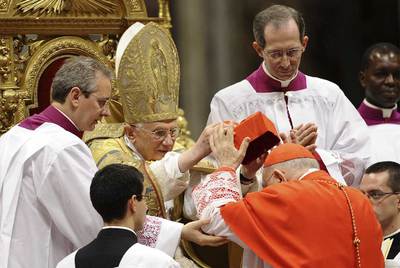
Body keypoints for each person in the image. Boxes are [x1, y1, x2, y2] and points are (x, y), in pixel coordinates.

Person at [207, 4, 370, 186]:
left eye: (292, 52)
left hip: (321, 203)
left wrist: (310, 156)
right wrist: (284, 158)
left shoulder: (328, 95)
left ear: (304, 44)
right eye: (276, 54)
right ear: (258, 49)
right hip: (264, 210)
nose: (286, 63)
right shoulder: (229, 102)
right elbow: (218, 173)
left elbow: (360, 156)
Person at [192, 124, 384, 267]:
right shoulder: (357, 198)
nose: (266, 194)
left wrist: (227, 165)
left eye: (266, 186)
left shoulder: (287, 195)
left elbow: (214, 218)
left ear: (279, 177)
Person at [0, 56, 113, 268]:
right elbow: (94, 226)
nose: (106, 112)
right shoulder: (63, 148)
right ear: (76, 96)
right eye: (102, 102)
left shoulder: (11, 137)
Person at [57, 164, 227, 268]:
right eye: (144, 197)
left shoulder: (66, 264)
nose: (145, 206)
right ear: (132, 203)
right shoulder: (158, 263)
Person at [357, 43, 400, 164]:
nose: (391, 81)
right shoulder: (347, 127)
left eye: (397, 75)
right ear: (363, 79)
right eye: (381, 74)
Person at [360, 161, 400, 261]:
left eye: (375, 194)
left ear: (398, 201)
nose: (364, 201)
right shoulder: (355, 241)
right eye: (361, 194)